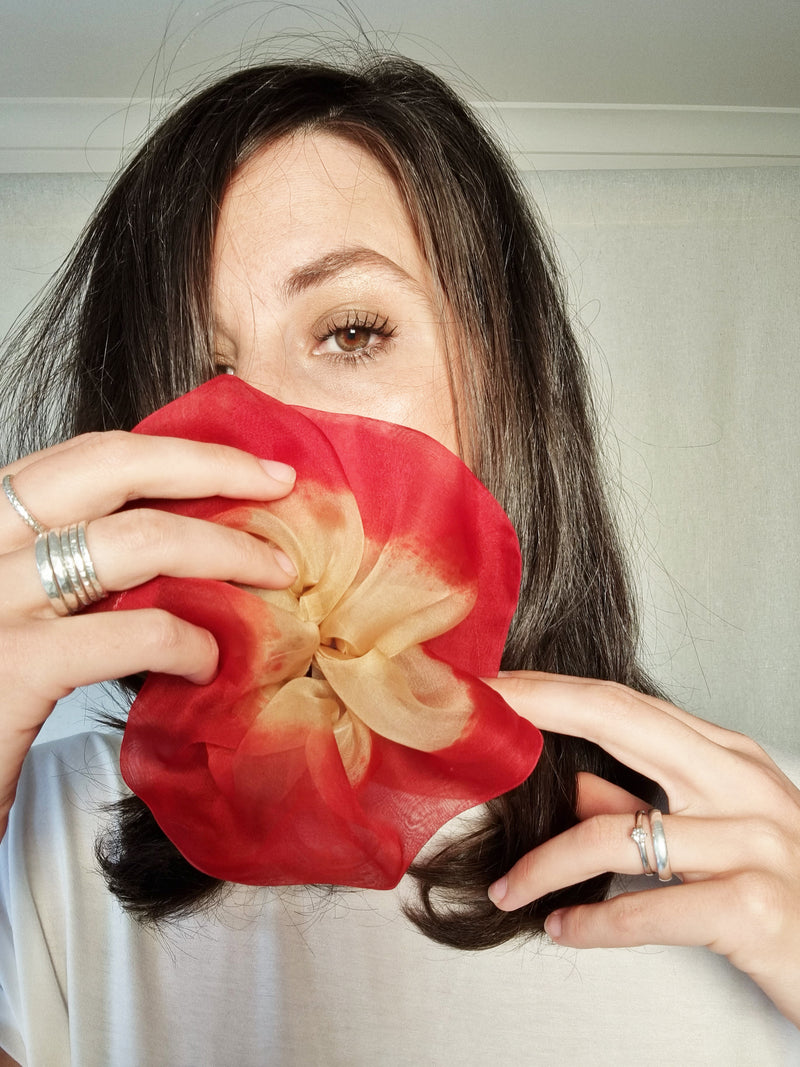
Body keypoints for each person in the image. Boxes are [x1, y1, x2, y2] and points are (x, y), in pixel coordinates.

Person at [0, 53, 798, 1064]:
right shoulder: (39, 837)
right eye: (198, 374)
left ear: (503, 378)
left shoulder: (765, 839)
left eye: (349, 331)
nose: (264, 436)